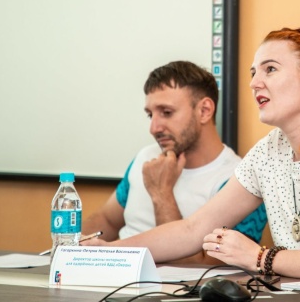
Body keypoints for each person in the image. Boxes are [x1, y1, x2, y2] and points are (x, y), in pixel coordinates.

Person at [85, 27, 300, 280]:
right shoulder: (268, 151)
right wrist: (110, 250)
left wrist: (258, 257)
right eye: (254, 73)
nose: (255, 83)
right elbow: (193, 230)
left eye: (270, 69)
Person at [82, 61, 267, 263]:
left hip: (175, 282)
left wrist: (161, 194)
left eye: (167, 113)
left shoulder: (241, 180)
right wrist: (72, 247)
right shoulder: (146, 157)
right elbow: (108, 220)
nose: (154, 128)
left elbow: (203, 268)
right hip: (117, 273)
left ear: (204, 110)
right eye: (150, 115)